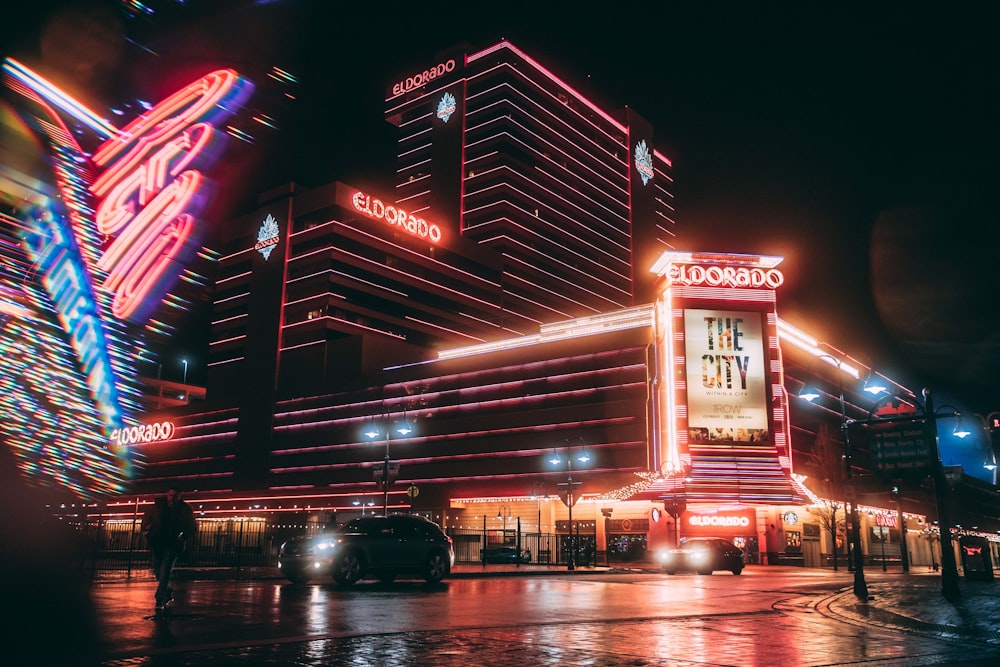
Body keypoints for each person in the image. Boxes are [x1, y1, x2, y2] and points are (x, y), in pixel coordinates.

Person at [142, 485, 198, 611]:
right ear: (167, 495)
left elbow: (192, 527)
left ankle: (160, 598)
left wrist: (183, 537)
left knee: (165, 569)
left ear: (179, 496)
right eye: (170, 495)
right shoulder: (158, 507)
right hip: (157, 543)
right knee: (158, 570)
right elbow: (146, 518)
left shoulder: (185, 509)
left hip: (173, 544)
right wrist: (146, 529)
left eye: (174, 496)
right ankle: (167, 591)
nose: (171, 498)